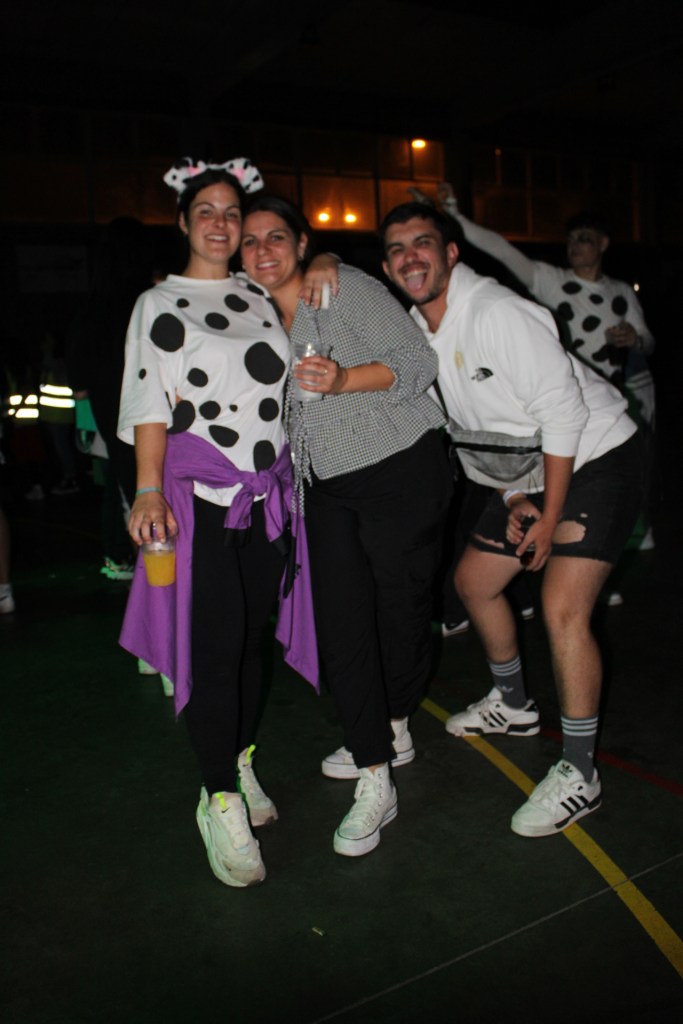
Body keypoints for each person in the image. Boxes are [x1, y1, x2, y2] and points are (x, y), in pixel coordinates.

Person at [381, 201, 642, 837]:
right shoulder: (415, 335)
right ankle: (514, 703)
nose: (410, 257)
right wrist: (511, 498)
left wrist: (548, 515)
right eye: (396, 249)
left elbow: (564, 415)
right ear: (387, 268)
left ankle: (581, 771)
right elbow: (475, 435)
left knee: (561, 608)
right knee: (474, 583)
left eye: (423, 243)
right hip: (533, 468)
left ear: (451, 253)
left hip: (599, 454)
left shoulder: (497, 313)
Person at [117, 157, 318, 888]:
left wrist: (323, 261)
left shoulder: (257, 294)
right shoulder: (159, 303)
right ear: (182, 221)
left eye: (232, 212)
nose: (221, 223)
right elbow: (148, 399)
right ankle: (218, 796)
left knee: (247, 646)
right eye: (206, 210)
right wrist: (147, 491)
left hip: (265, 501)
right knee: (213, 650)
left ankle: (235, 757)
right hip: (199, 501)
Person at [240, 195, 452, 857]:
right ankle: (374, 768)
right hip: (324, 485)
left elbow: (417, 363)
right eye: (250, 241)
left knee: (399, 612)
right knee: (342, 624)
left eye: (277, 236)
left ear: (303, 244)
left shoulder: (340, 288)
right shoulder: (248, 315)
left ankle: (393, 721)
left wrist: (341, 380)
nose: (264, 251)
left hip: (400, 468)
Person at [434, 184, 656, 558]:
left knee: (630, 460)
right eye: (571, 239)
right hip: (565, 398)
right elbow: (502, 250)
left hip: (618, 393)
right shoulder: (553, 281)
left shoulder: (621, 292)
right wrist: (455, 217)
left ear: (603, 244)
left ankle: (631, 531)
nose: (575, 246)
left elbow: (647, 341)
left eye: (584, 239)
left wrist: (635, 338)